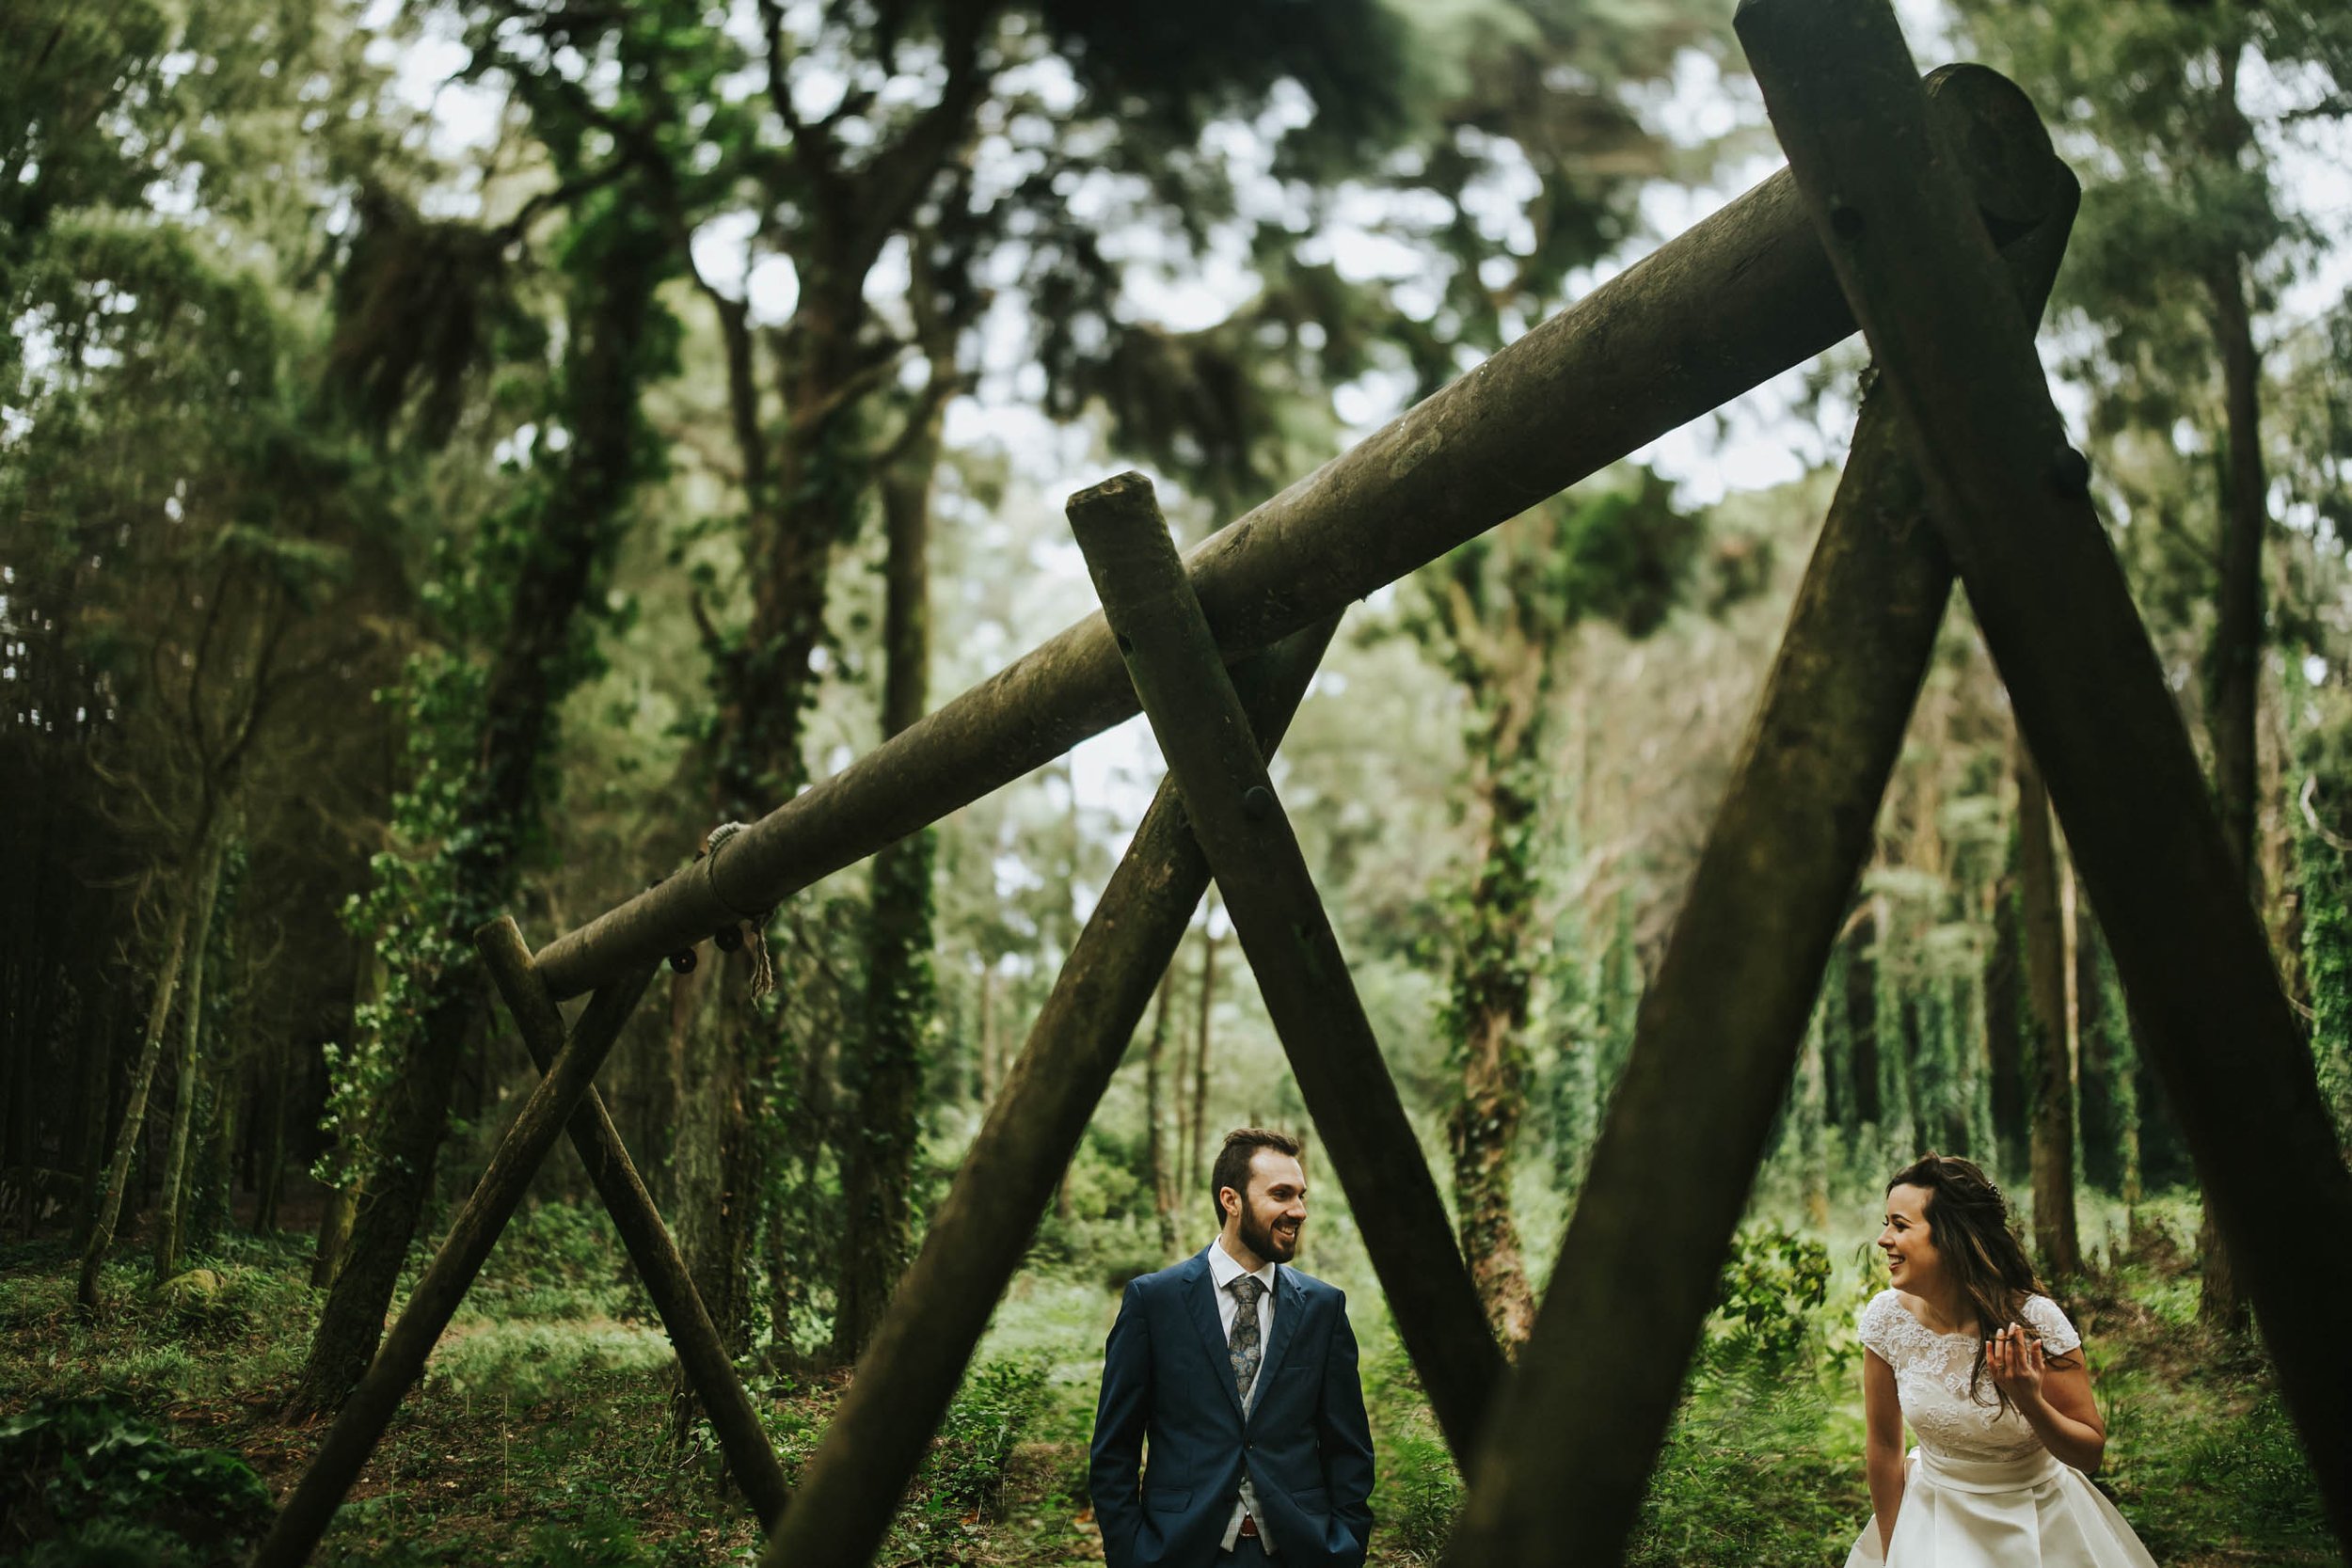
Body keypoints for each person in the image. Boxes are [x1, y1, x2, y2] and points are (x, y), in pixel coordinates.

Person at [1847, 1152, 2156, 1567]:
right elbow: (1885, 1448)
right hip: (1935, 1517)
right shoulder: (1887, 1319)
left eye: (1900, 1226)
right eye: (1886, 1223)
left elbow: (2090, 1454)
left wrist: (2030, 1400)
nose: (1885, 1239)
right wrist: (1892, 1550)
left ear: (1952, 1236)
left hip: (2041, 1521)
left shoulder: (2036, 1321)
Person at [1089, 1128, 1375, 1568]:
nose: (1298, 1211)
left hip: (1299, 1550)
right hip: (1178, 1550)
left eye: (1301, 1196)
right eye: (1281, 1195)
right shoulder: (1154, 1301)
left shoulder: (1324, 1307)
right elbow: (1114, 1448)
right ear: (1231, 1200)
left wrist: (1345, 1545)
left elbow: (1348, 1448)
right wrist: (1131, 1553)